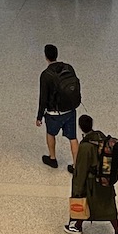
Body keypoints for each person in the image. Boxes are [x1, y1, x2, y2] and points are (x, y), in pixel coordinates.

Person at [65, 114, 118, 234]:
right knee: (109, 207)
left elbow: (81, 169)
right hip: (104, 180)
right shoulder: (102, 138)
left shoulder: (86, 146)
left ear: (80, 127)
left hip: (91, 183)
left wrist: (77, 189)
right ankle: (117, 232)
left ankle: (77, 226)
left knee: (85, 202)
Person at [36, 43, 80, 172]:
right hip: (70, 109)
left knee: (50, 133)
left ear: (46, 57)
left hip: (54, 113)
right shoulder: (69, 68)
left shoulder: (46, 74)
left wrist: (39, 116)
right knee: (73, 138)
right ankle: (76, 165)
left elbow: (43, 97)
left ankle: (53, 158)